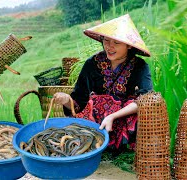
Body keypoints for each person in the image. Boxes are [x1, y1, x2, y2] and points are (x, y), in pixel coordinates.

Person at [53, 14, 153, 153]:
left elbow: (145, 99)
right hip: (96, 118)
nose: (109, 47)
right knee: (94, 103)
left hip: (123, 117)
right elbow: (79, 100)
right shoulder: (92, 63)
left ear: (129, 46)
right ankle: (93, 142)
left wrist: (113, 115)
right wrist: (66, 100)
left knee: (142, 113)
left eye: (116, 42)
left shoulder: (140, 66)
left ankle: (119, 145)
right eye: (106, 40)